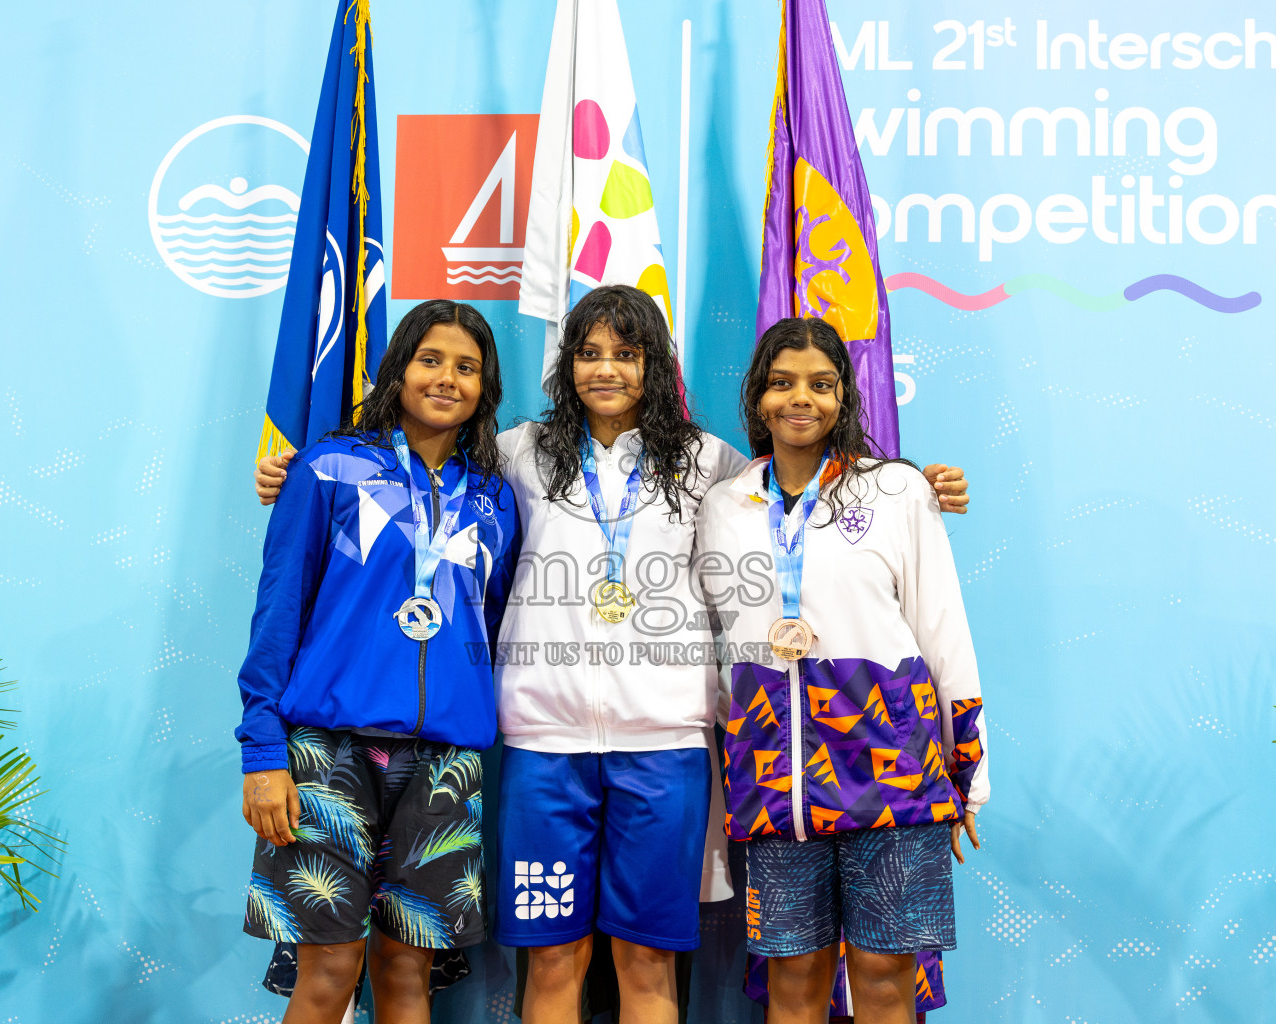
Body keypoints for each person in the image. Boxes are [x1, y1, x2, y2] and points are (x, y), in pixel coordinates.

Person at [254, 289, 970, 1024]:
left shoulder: (708, 464)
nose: (606, 370)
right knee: (555, 960)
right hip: (543, 749)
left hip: (665, 751)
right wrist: (296, 473)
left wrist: (913, 479)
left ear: (654, 365)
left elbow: (794, 501)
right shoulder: (516, 454)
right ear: (566, 364)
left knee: (647, 960)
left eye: (626, 355)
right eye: (589, 353)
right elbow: (424, 481)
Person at [236, 299, 520, 1024]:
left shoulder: (494, 500)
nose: (447, 379)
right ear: (398, 370)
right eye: (430, 360)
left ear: (486, 388)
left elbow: (485, 628)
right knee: (329, 970)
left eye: (467, 367)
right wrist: (262, 752)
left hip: (444, 764)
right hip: (326, 754)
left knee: (407, 975)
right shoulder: (329, 468)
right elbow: (277, 615)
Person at [698, 316, 988, 1024]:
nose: (801, 399)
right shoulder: (724, 506)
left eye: (821, 385)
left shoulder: (895, 493)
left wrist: (968, 774)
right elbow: (716, 653)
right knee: (793, 980)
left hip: (893, 775)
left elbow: (942, 630)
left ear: (844, 397)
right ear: (757, 399)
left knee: (886, 976)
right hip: (776, 783)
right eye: (782, 383)